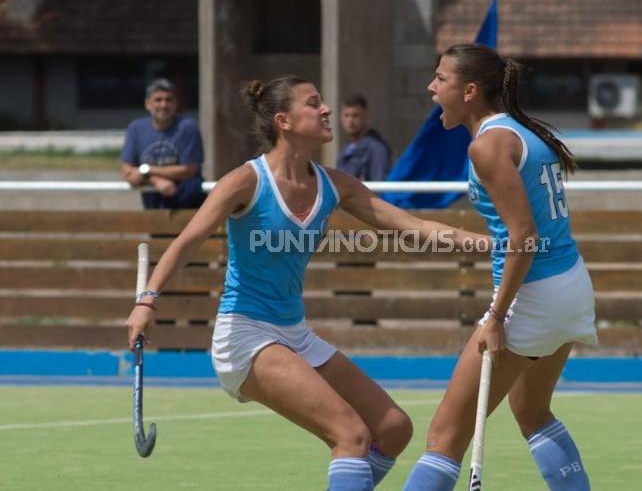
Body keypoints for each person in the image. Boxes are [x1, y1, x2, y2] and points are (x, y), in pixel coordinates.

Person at [125, 76, 486, 490]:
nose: (327, 109)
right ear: (285, 121)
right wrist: (146, 301)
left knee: (393, 429)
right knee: (350, 436)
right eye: (314, 103)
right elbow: (187, 241)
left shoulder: (334, 184)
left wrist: (498, 246)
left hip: (294, 333)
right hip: (245, 336)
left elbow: (415, 226)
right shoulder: (245, 182)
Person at [402, 44, 597, 491]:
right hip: (570, 284)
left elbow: (523, 236)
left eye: (441, 79)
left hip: (531, 294)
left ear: (469, 90)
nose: (432, 88)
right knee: (532, 413)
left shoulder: (487, 146)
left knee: (445, 437)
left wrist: (494, 316)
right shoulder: (525, 133)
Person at [120, 78, 207, 209]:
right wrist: (155, 181)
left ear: (176, 104)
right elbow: (127, 171)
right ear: (147, 104)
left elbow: (188, 170)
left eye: (168, 99)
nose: (163, 105)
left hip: (188, 200)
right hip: (154, 201)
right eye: (158, 100)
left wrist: (146, 170)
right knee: (156, 228)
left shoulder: (187, 127)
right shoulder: (136, 128)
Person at [337, 94, 391, 181]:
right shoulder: (345, 150)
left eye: (355, 115)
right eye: (346, 115)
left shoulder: (377, 148)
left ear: (366, 116)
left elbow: (379, 185)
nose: (350, 121)